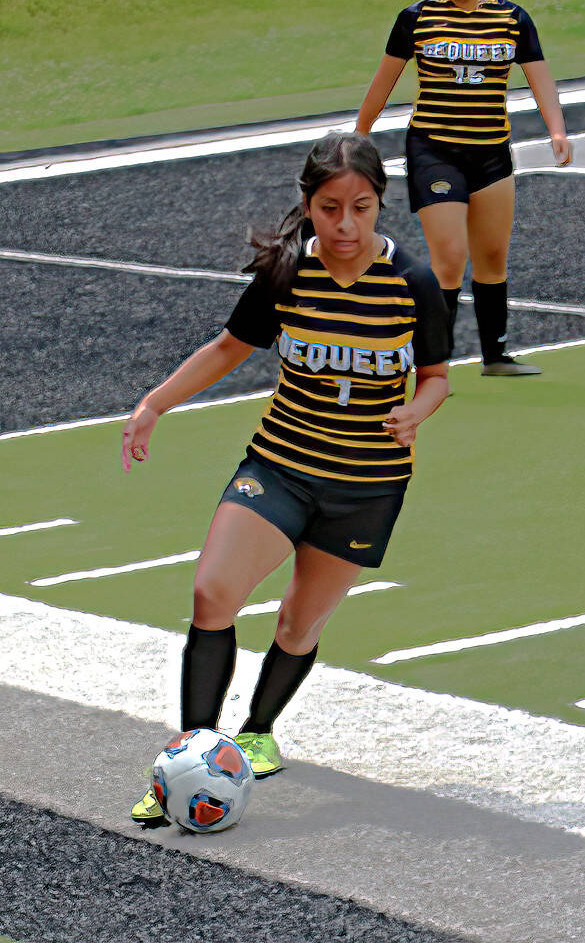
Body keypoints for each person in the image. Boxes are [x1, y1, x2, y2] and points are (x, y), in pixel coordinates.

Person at [123, 132, 450, 824]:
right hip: (280, 466)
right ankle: (188, 760)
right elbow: (227, 348)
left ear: (380, 204)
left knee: (299, 624)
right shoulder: (287, 273)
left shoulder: (412, 283)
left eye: (361, 208)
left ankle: (258, 731)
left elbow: (437, 375)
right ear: (309, 204)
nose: (345, 225)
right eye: (330, 209)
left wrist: (417, 410)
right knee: (212, 593)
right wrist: (154, 404)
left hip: (366, 486)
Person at [356, 0, 572, 375]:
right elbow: (384, 80)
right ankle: (433, 365)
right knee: (450, 258)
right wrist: (361, 132)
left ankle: (496, 356)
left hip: (492, 153)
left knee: (492, 257)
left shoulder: (512, 19)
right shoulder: (416, 18)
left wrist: (557, 130)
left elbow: (540, 78)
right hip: (435, 151)